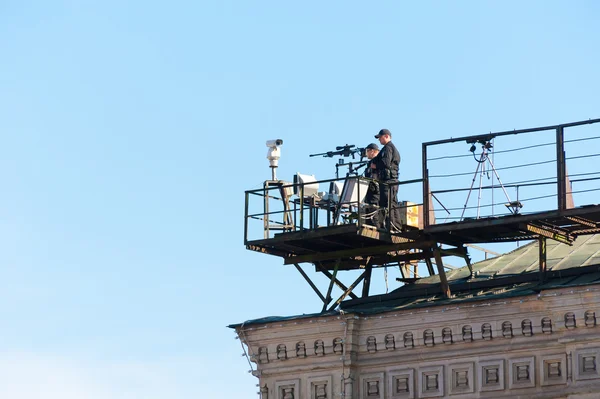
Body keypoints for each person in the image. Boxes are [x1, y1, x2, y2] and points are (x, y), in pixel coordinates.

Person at [371, 128, 401, 229]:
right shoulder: (387, 148)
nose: (379, 140)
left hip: (389, 181)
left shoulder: (388, 148)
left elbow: (386, 163)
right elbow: (379, 158)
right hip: (389, 181)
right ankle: (393, 226)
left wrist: (375, 166)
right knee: (389, 203)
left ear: (386, 136)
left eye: (380, 137)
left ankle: (393, 226)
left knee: (389, 204)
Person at [363, 143, 381, 227]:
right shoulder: (371, 163)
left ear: (372, 151)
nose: (366, 153)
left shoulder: (378, 162)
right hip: (369, 190)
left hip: (375, 190)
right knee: (369, 211)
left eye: (367, 151)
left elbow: (375, 176)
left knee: (373, 211)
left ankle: (376, 229)